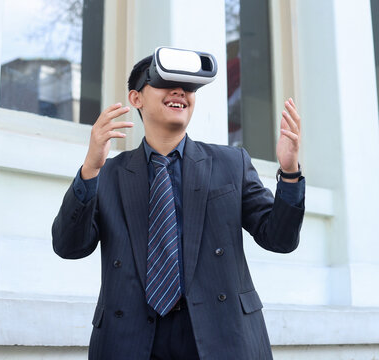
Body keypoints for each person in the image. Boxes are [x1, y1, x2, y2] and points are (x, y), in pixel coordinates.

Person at [52, 48, 305, 360]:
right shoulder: (109, 175)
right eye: (164, 82)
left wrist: (290, 172)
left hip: (221, 336)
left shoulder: (231, 163)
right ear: (136, 99)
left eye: (188, 87)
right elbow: (69, 246)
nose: (179, 92)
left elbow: (279, 239)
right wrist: (89, 169)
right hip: (131, 340)